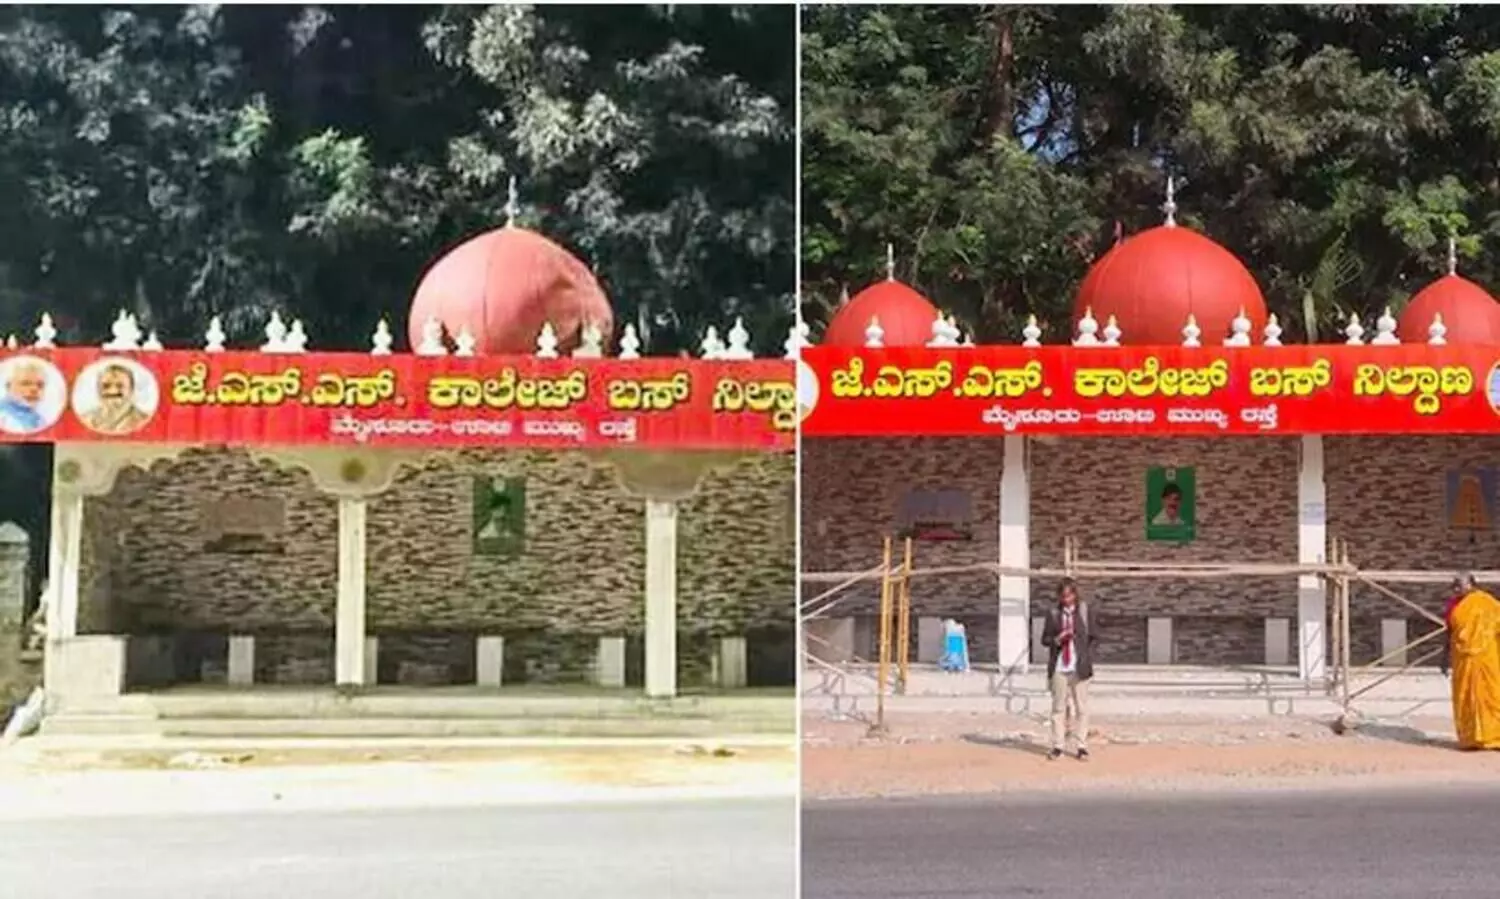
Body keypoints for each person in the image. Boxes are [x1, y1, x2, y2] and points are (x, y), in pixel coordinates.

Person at [1441, 572, 1500, 750]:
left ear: (1472, 584)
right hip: (1463, 660)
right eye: (1454, 584)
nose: (1456, 587)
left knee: (1491, 696)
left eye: (1460, 584)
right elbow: (1449, 633)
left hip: (1486, 658)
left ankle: (1495, 737)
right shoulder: (1453, 606)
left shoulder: (1487, 603)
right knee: (1465, 697)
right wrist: (1444, 658)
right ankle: (1470, 739)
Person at [1040, 578, 1098, 760]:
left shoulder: (1084, 611)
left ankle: (1081, 745)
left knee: (1082, 708)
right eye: (1063, 596)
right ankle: (1058, 745)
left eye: (1070, 595)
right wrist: (1057, 639)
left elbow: (1094, 636)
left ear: (1075, 594)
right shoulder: (1053, 613)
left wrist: (1086, 655)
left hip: (1079, 665)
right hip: (1060, 665)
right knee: (1058, 708)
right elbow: (1045, 639)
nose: (1067, 599)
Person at [80, 362, 152, 435]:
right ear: (98, 389)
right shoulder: (87, 419)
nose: (112, 391)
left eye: (120, 386)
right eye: (106, 386)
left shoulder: (142, 420)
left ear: (131, 390)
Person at [0, 360, 49, 434]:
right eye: (25, 383)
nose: (34, 389)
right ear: (8, 386)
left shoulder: (39, 419)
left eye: (40, 385)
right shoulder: (4, 416)